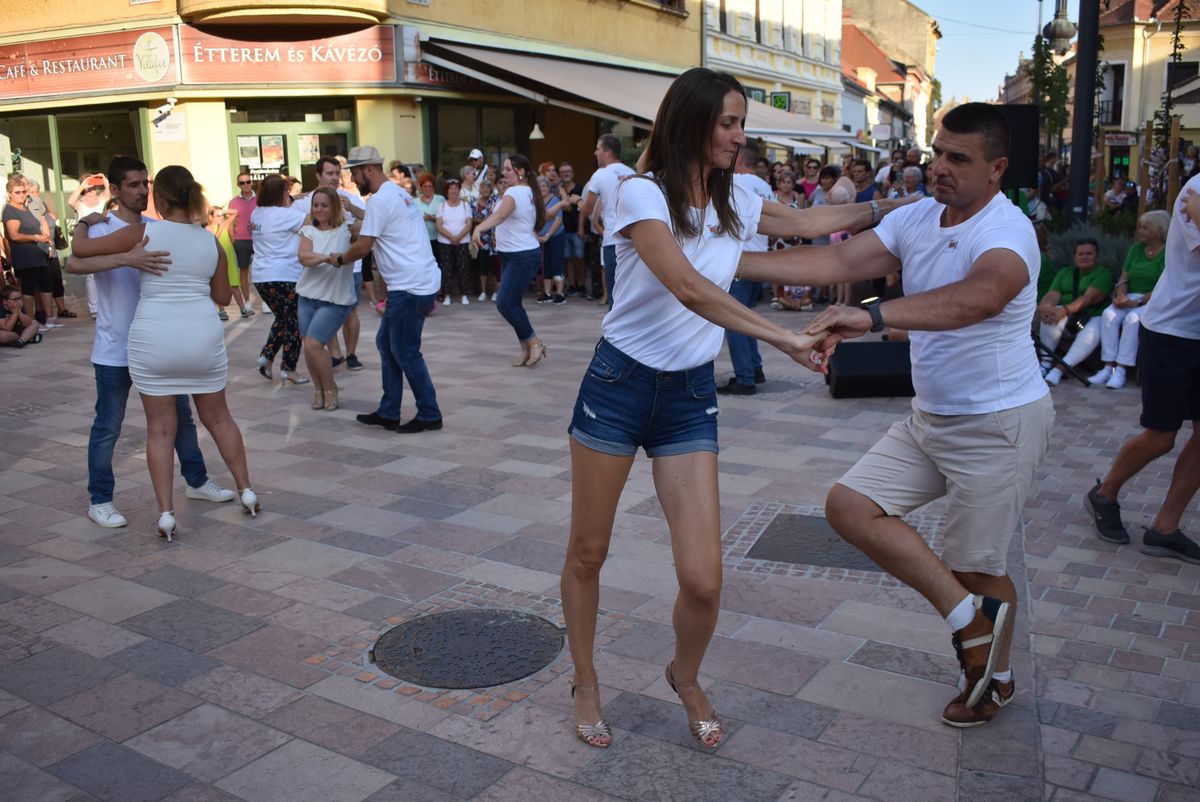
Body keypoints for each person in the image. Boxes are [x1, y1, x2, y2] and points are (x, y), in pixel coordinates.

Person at [559, 67, 906, 751]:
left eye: (741, 123)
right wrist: (783, 338)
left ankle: (684, 674)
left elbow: (810, 222)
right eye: (728, 123)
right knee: (588, 553)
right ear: (689, 122)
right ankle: (586, 678)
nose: (739, 137)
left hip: (688, 396)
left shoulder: (737, 198)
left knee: (704, 578)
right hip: (618, 386)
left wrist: (893, 209)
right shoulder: (640, 193)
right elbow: (687, 286)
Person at [741, 102, 1055, 728]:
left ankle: (995, 679)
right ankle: (970, 621)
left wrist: (874, 316)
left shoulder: (1007, 229)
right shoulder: (917, 217)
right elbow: (837, 261)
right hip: (931, 418)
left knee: (977, 566)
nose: (938, 167)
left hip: (997, 423)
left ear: (996, 169)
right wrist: (721, 263)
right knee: (849, 506)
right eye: (937, 152)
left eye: (957, 159)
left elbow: (982, 296)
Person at [69, 162, 256, 539]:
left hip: (152, 341)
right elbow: (223, 297)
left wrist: (88, 225)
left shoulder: (147, 233)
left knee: (166, 427)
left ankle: (174, 505)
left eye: (146, 185)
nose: (141, 191)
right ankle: (246, 491)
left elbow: (78, 251)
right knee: (208, 419)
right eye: (133, 184)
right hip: (168, 341)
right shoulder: (204, 238)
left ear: (159, 196)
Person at [1084, 182, 1200, 565]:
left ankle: (1165, 528)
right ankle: (1105, 492)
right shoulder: (1196, 192)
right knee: (1162, 436)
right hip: (1173, 331)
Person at [341, 146, 444, 434]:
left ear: (369, 170)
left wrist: (336, 260)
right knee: (387, 344)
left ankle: (429, 413)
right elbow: (381, 219)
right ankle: (389, 411)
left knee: (405, 351)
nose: (352, 177)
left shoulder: (381, 200)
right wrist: (353, 209)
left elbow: (363, 245)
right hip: (419, 281)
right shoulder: (396, 193)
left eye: (355, 172)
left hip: (408, 287)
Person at [472, 154, 550, 366]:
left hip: (521, 256)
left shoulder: (515, 192)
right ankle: (526, 346)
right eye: (504, 169)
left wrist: (479, 227)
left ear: (521, 171)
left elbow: (500, 216)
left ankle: (534, 342)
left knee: (505, 303)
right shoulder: (529, 192)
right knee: (512, 303)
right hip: (516, 254)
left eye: (508, 169)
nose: (503, 173)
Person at [1089, 211, 1168, 389]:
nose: (1140, 231)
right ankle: (1108, 366)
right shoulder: (1136, 249)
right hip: (1132, 296)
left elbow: (1162, 286)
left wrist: (1137, 303)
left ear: (1159, 230)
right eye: (1140, 226)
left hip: (1152, 299)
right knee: (1109, 313)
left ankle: (1122, 369)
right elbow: (1124, 277)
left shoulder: (1167, 252)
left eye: (1145, 227)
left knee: (1132, 319)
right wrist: (1120, 296)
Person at [719, 143, 774, 395]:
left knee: (735, 322)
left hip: (741, 262)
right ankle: (754, 367)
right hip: (762, 261)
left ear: (739, 160)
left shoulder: (736, 182)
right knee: (747, 317)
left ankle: (745, 377)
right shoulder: (764, 186)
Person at [297, 187, 357, 411]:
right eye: (315, 205)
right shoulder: (308, 231)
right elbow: (303, 257)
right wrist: (328, 258)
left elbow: (374, 223)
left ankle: (330, 387)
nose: (319, 209)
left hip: (335, 299)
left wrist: (353, 208)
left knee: (313, 345)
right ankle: (318, 389)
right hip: (307, 297)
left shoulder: (346, 229)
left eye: (324, 205)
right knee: (309, 347)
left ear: (334, 206)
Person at [251, 175, 310, 386]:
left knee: (283, 319)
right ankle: (289, 368)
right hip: (285, 276)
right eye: (286, 191)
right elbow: (313, 220)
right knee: (294, 322)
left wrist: (293, 201)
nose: (289, 195)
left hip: (261, 277)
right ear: (280, 193)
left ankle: (266, 357)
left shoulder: (256, 213)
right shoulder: (285, 215)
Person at [1037, 238, 1113, 386]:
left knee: (1090, 333)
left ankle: (1059, 369)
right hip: (1069, 314)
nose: (1084, 257)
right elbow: (1053, 294)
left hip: (1092, 314)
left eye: (1089, 254)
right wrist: (1046, 307)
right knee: (1050, 316)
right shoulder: (1065, 273)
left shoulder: (1103, 273)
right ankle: (1046, 362)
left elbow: (1088, 298)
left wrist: (1064, 311)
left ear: (1096, 256)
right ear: (1075, 257)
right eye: (1081, 254)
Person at [314, 156, 365, 371]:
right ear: (319, 175)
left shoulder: (349, 198)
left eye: (337, 173)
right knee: (326, 309)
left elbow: (370, 221)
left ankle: (351, 353)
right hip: (321, 266)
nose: (335, 178)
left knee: (350, 311)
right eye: (330, 174)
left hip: (350, 264)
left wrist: (352, 208)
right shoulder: (307, 200)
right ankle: (335, 354)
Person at [579, 135, 635, 305]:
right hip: (633, 241)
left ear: (608, 152)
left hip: (613, 239)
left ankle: (613, 331)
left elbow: (588, 209)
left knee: (614, 293)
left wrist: (577, 202)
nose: (595, 153)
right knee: (629, 293)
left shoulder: (600, 174)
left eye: (598, 149)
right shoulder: (632, 173)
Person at [3, 175, 61, 329]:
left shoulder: (27, 206)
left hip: (39, 254)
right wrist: (36, 237)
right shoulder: (10, 210)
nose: (22, 194)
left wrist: (47, 243)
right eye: (17, 192)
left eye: (23, 191)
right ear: (10, 193)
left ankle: (50, 319)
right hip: (25, 256)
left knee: (46, 285)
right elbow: (14, 235)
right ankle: (30, 321)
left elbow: (42, 223)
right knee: (28, 289)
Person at [68, 173, 109, 319]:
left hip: (103, 239)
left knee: (106, 272)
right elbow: (70, 201)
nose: (92, 189)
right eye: (89, 187)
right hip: (87, 241)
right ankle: (94, 309)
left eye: (93, 186)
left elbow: (109, 192)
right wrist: (82, 185)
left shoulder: (101, 199)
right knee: (91, 276)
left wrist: (103, 179)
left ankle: (106, 304)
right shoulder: (80, 203)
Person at [206, 205, 249, 320]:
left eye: (222, 216)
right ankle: (221, 310)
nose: (221, 218)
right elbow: (212, 241)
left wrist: (222, 211)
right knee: (218, 283)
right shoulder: (208, 228)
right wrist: (219, 229)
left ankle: (243, 308)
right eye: (218, 216)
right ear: (211, 217)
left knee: (235, 284)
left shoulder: (226, 223)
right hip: (216, 258)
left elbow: (235, 212)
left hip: (229, 257)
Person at [434, 178, 473, 305]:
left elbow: (469, 224)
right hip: (445, 242)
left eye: (456, 188)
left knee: (463, 268)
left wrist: (459, 237)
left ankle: (464, 295)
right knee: (446, 269)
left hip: (463, 241)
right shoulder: (441, 206)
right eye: (451, 188)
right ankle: (447, 295)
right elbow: (439, 225)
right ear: (447, 191)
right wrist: (451, 237)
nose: (453, 191)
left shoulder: (465, 205)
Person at [227, 173, 258, 317]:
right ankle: (247, 300)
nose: (246, 184)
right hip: (241, 240)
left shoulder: (260, 200)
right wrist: (233, 240)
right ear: (238, 185)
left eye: (248, 181)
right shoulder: (233, 202)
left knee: (260, 270)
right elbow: (230, 223)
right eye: (242, 183)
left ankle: (265, 301)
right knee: (244, 272)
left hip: (259, 239)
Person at [413, 174, 445, 300]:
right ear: (421, 188)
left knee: (438, 265)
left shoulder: (440, 199)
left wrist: (432, 218)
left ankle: (439, 291)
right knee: (422, 266)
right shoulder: (415, 202)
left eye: (430, 186)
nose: (427, 189)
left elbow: (446, 216)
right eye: (425, 186)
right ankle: (425, 291)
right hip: (421, 240)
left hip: (437, 238)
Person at [536, 175, 566, 305]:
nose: (542, 188)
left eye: (544, 186)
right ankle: (547, 293)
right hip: (541, 237)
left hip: (555, 236)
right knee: (545, 265)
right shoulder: (536, 202)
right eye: (539, 186)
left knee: (556, 264)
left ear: (548, 188)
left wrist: (547, 235)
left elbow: (558, 220)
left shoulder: (555, 200)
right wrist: (537, 236)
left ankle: (560, 293)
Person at [558, 162, 587, 296]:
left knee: (580, 258)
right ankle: (572, 285)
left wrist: (581, 228)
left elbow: (583, 210)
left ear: (573, 173)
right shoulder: (558, 191)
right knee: (568, 258)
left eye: (568, 171)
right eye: (563, 172)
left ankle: (582, 285)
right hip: (563, 229)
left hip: (577, 229)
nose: (566, 174)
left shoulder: (580, 189)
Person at [472, 179, 500, 301]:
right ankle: (483, 292)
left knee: (494, 266)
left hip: (493, 237)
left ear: (491, 189)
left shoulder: (494, 201)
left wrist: (483, 221)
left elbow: (496, 217)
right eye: (482, 188)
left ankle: (495, 292)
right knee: (482, 265)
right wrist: (486, 221)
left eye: (487, 188)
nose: (485, 190)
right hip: (481, 238)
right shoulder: (474, 203)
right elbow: (473, 219)